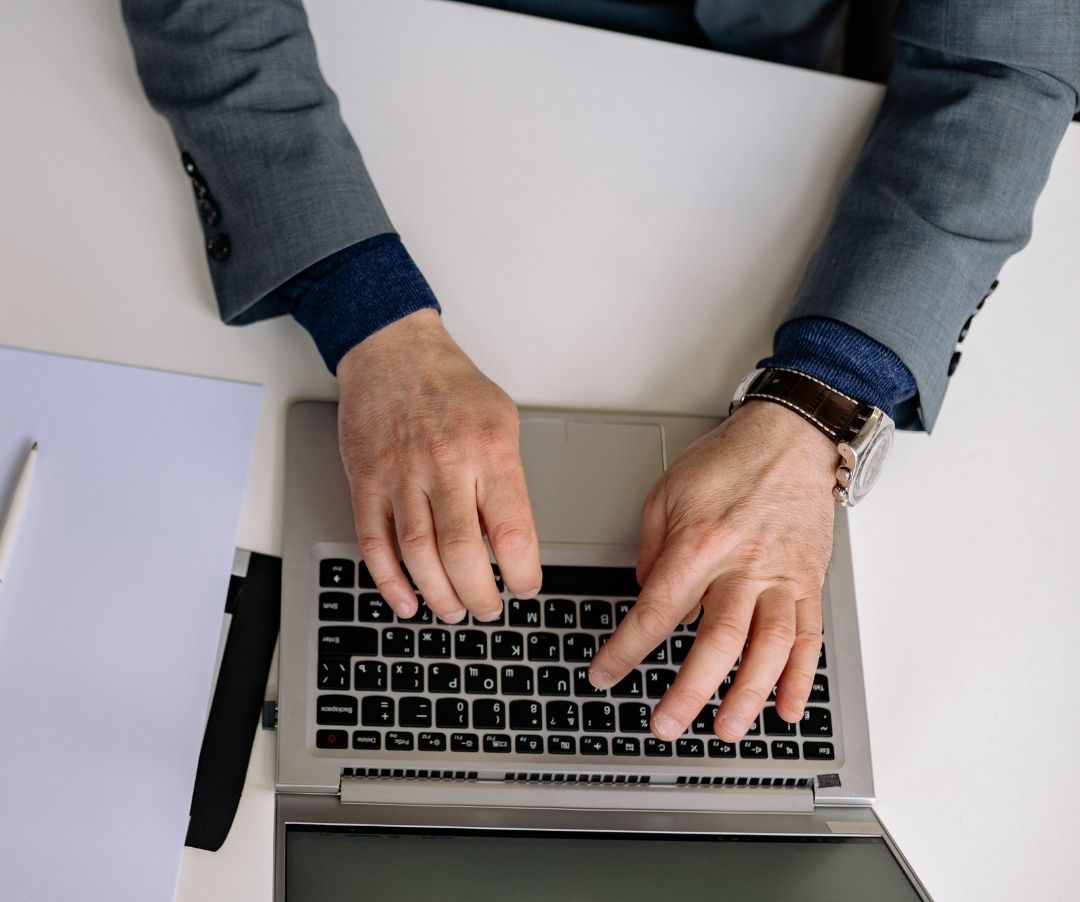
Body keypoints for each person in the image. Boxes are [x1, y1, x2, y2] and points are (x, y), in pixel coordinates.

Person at [120, 0, 1079, 746]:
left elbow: (1003, 62)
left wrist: (822, 396)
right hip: (401, 63)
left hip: (756, 102)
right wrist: (360, 302)